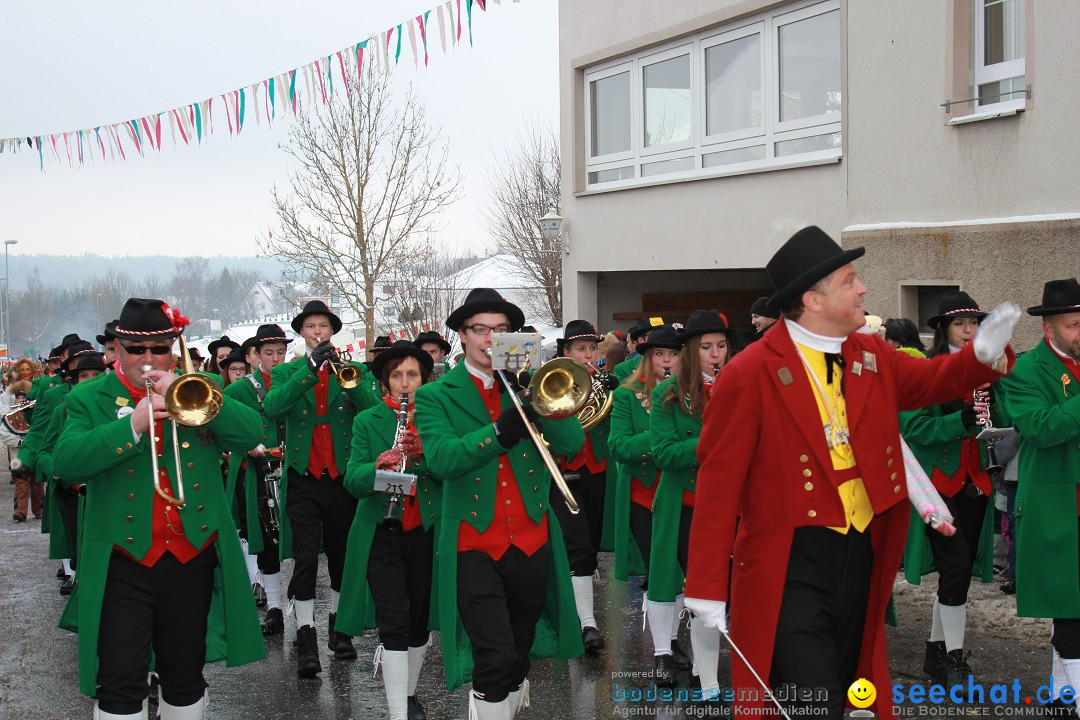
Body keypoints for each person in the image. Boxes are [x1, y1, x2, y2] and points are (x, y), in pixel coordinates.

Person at [684, 226, 1017, 718]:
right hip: (788, 561)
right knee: (813, 695)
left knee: (847, 683)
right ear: (812, 300)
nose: (863, 288)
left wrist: (982, 356)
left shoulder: (870, 353)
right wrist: (707, 585)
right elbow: (718, 485)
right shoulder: (749, 371)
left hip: (861, 546)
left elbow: (930, 381)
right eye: (850, 280)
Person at [52, 298, 266, 720]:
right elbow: (65, 462)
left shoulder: (202, 387)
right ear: (117, 350)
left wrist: (190, 398)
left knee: (184, 676)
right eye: (136, 350)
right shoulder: (88, 397)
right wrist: (131, 424)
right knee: (119, 681)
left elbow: (250, 433)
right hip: (122, 558)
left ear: (173, 349)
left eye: (159, 348)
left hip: (191, 555)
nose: (147, 359)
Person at [414, 287, 585, 720]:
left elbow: (572, 444)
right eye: (480, 330)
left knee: (517, 656)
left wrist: (536, 398)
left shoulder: (527, 385)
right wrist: (499, 432)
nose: (490, 339)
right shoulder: (438, 395)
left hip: (531, 538)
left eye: (501, 330)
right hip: (472, 542)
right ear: (463, 336)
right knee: (493, 655)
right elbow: (442, 460)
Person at [262, 300, 381, 677]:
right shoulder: (287, 372)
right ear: (302, 333)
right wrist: (309, 370)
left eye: (323, 326)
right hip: (302, 477)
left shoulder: (355, 369)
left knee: (343, 558)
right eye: (311, 326)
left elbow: (372, 406)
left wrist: (351, 378)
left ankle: (340, 629)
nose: (317, 331)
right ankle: (306, 636)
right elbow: (273, 408)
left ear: (332, 332)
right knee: (306, 558)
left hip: (341, 477)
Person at [900, 291, 1005, 687]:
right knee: (957, 566)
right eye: (961, 324)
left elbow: (1007, 420)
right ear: (943, 329)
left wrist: (995, 400)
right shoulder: (925, 372)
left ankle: (935, 652)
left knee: (955, 575)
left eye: (975, 324)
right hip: (937, 485)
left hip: (976, 481)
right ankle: (956, 660)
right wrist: (961, 419)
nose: (969, 331)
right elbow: (915, 429)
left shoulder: (984, 370)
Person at [339, 340, 441, 720]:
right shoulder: (367, 421)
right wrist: (377, 468)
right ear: (385, 381)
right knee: (394, 619)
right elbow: (352, 478)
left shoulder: (435, 418)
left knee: (418, 620)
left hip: (426, 528)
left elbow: (451, 469)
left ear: (424, 378)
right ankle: (399, 710)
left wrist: (423, 457)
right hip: (382, 530)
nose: (404, 383)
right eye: (396, 375)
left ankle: (410, 694)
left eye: (412, 374)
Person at [998, 278, 1080, 714]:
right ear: (1049, 329)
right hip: (1057, 507)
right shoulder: (1025, 371)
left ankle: (1060, 699)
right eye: (1073, 325)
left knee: (1073, 612)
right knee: (1069, 612)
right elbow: (1040, 429)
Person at [650, 309, 737, 698]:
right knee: (705, 591)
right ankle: (708, 681)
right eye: (705, 347)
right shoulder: (666, 395)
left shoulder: (740, 387)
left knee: (728, 593)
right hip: (686, 504)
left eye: (720, 346)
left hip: (734, 504)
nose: (715, 354)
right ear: (689, 351)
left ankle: (711, 674)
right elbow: (664, 454)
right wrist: (711, 443)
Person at [607, 324, 688, 684]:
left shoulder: (690, 395)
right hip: (643, 493)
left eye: (672, 354)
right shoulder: (627, 395)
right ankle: (662, 652)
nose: (666, 361)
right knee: (660, 573)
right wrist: (659, 433)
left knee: (683, 574)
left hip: (681, 493)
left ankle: (672, 639)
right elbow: (620, 448)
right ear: (647, 358)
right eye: (659, 355)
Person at [554, 320, 620, 653]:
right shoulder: (555, 381)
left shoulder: (604, 383)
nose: (589, 354)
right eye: (581, 349)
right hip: (564, 469)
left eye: (593, 348)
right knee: (578, 545)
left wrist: (615, 389)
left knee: (590, 544)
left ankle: (578, 601)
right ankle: (587, 625)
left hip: (597, 467)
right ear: (566, 352)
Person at [223, 324, 292, 636]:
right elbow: (222, 423)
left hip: (291, 468)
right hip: (257, 471)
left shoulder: (292, 379)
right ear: (255, 356)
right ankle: (275, 606)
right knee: (266, 537)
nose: (276, 358)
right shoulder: (239, 389)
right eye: (269, 353)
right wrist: (244, 445)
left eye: (280, 352)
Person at [38, 350, 108, 595]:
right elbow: (45, 450)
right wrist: (58, 471)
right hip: (74, 493)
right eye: (83, 376)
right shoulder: (62, 411)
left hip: (107, 491)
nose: (88, 380)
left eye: (95, 375)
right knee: (78, 549)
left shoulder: (116, 410)